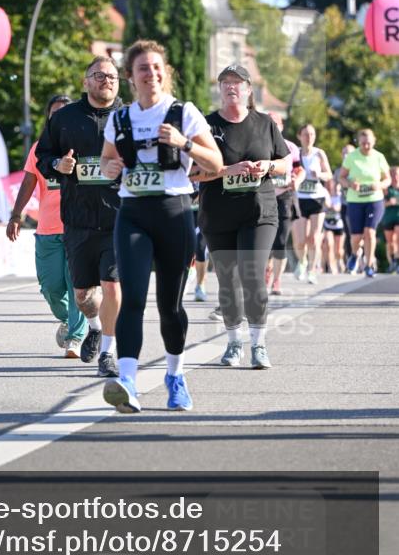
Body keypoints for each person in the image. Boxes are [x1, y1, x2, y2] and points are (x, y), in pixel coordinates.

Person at [99, 41, 222, 414]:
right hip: (133, 212)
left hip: (174, 211)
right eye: (142, 69)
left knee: (169, 305)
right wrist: (110, 169)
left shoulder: (183, 112)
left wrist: (184, 143)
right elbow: (107, 161)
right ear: (130, 76)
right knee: (132, 298)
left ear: (165, 72)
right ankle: (128, 381)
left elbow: (215, 163)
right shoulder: (119, 119)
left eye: (156, 68)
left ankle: (175, 376)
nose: (150, 74)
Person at [195, 64, 291, 370]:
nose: (231, 87)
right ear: (219, 90)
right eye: (225, 82)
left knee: (251, 274)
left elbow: (286, 161)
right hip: (218, 215)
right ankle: (234, 342)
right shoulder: (205, 126)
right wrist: (225, 171)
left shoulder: (264, 124)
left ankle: (259, 344)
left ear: (249, 90)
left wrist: (269, 167)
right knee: (227, 281)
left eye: (237, 83)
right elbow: (193, 173)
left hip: (259, 212)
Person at [36, 56, 123, 378]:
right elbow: (43, 156)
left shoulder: (128, 118)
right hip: (78, 219)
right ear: (86, 81)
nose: (106, 81)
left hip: (119, 218)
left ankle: (109, 353)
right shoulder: (65, 118)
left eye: (112, 76)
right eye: (99, 75)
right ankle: (95, 327)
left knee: (112, 286)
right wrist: (58, 165)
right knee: (84, 295)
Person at [6, 94, 87, 357]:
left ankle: (75, 337)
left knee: (77, 284)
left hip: (78, 228)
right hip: (47, 230)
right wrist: (16, 214)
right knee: (51, 288)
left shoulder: (85, 143)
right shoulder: (40, 148)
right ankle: (72, 317)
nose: (60, 116)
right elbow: (29, 182)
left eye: (66, 111)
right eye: (55, 112)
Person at [339, 129, 390, 278]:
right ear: (358, 142)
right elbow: (341, 178)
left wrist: (379, 185)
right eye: (363, 143)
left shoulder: (379, 157)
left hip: (374, 199)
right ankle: (355, 255)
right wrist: (349, 184)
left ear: (374, 141)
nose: (366, 146)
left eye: (368, 143)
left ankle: (369, 265)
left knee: (370, 232)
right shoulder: (352, 157)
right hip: (355, 201)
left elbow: (387, 179)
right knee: (356, 237)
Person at [265, 111, 303, 295]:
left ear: (281, 126)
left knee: (280, 240)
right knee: (264, 239)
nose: (272, 128)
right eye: (268, 123)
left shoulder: (291, 147)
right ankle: (266, 270)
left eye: (275, 124)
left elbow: (300, 169)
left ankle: (277, 281)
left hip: (285, 196)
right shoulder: (258, 145)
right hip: (263, 196)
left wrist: (298, 180)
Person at [293, 124, 333, 284]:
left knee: (314, 238)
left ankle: (312, 270)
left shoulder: (319, 153)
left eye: (312, 134)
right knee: (300, 240)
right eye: (306, 134)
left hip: (317, 198)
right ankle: (302, 262)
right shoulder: (295, 152)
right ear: (299, 136)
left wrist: (320, 175)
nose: (309, 137)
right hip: (300, 199)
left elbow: (329, 175)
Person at [322, 178, 346, 273]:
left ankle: (340, 261)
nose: (330, 186)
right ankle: (332, 266)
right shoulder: (325, 196)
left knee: (339, 250)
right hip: (328, 224)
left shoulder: (340, 196)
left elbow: (339, 208)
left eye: (331, 184)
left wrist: (331, 206)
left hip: (339, 225)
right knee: (329, 244)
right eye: (328, 184)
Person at [381, 166, 399, 273]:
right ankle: (392, 262)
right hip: (388, 218)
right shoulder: (386, 189)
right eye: (393, 174)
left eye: (397, 174)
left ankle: (397, 261)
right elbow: (379, 204)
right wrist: (389, 203)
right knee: (390, 242)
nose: (395, 177)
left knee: (398, 237)